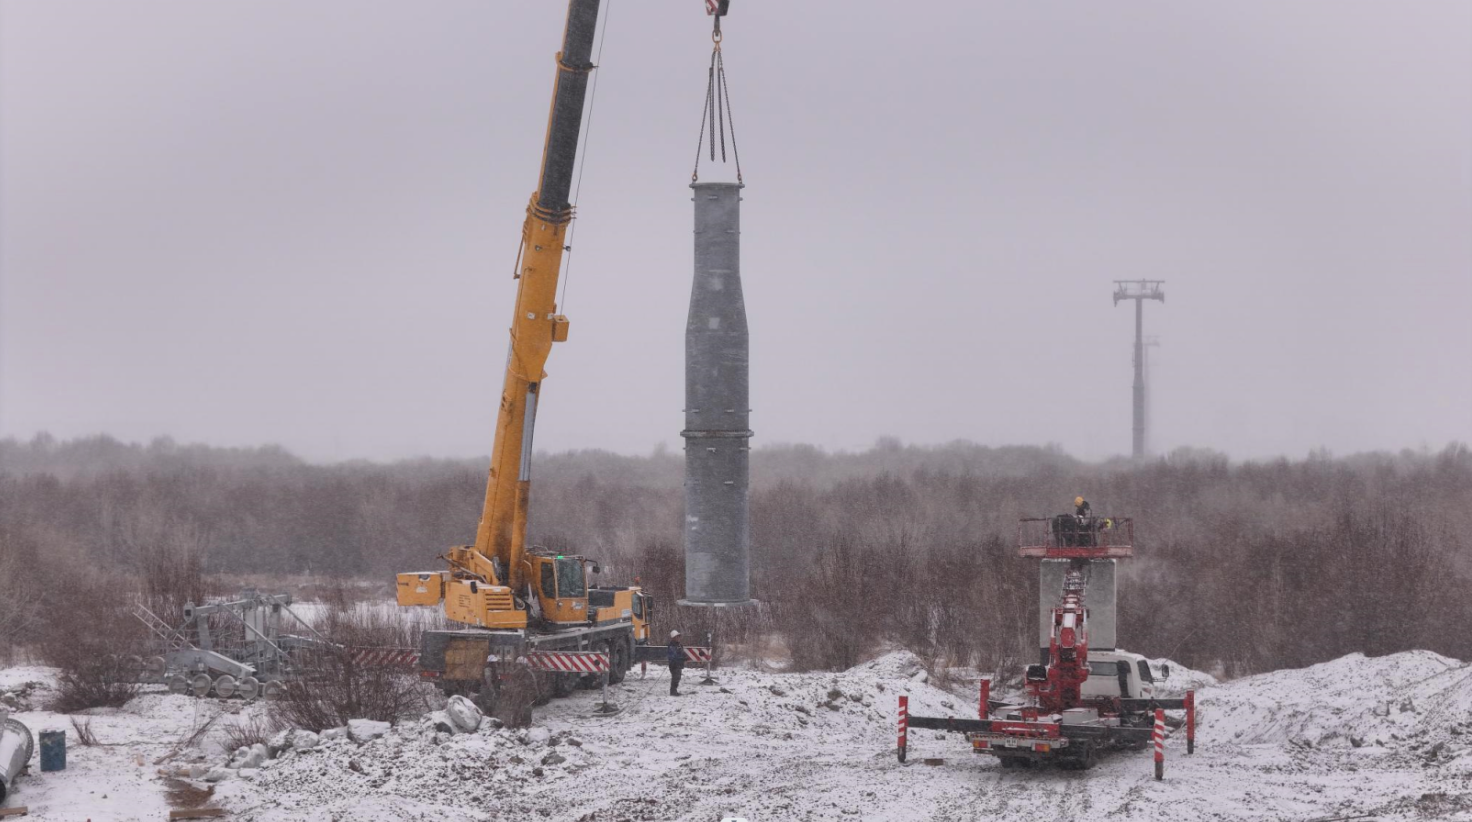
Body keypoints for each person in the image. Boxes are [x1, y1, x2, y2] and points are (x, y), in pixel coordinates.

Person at [667, 630, 685, 696]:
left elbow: (681, 653)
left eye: (678, 637)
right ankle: (673, 691)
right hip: (674, 665)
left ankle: (674, 690)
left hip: (679, 664)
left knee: (678, 677)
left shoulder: (679, 645)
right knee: (675, 677)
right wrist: (680, 657)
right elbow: (673, 656)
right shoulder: (671, 646)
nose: (678, 638)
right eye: (677, 637)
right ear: (673, 638)